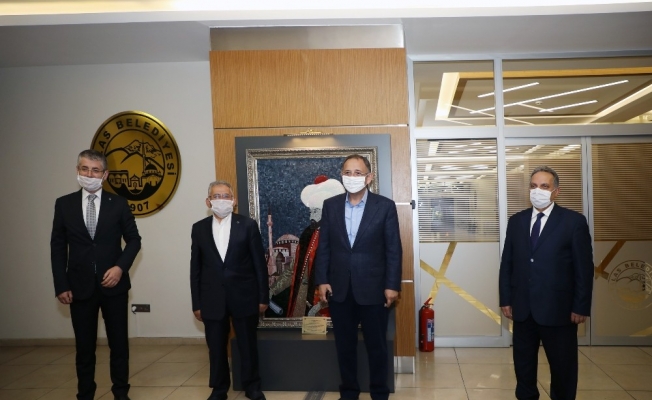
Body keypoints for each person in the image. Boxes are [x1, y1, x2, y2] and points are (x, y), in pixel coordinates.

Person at [50, 149, 141, 400]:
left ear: (105, 174)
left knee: (119, 345)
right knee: (84, 348)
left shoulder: (119, 204)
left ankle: (121, 393)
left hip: (114, 286)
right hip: (78, 287)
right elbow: (57, 247)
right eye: (84, 169)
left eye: (95, 170)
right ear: (77, 170)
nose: (89, 175)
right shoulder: (64, 204)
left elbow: (134, 240)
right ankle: (85, 394)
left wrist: (120, 267)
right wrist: (61, 284)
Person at [499, 166, 593, 400]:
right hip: (523, 310)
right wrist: (506, 299)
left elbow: (584, 268)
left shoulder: (573, 222)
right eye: (533, 186)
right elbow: (507, 263)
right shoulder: (517, 221)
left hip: (559, 310)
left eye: (544, 186)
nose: (537, 191)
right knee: (524, 368)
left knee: (563, 369)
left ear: (555, 191)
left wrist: (581, 306)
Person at [314, 154, 402, 400]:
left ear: (369, 177)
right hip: (339, 288)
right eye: (347, 172)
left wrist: (392, 285)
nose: (352, 177)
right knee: (344, 346)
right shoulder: (331, 205)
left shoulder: (384, 206)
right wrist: (322, 279)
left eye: (357, 173)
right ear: (341, 175)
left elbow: (393, 249)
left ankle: (379, 393)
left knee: (377, 346)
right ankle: (349, 392)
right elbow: (324, 247)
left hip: (374, 288)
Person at [190, 180, 268, 400]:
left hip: (245, 296)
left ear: (234, 201)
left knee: (247, 344)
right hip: (211, 298)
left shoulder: (248, 225)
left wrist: (263, 297)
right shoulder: (199, 228)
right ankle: (219, 388)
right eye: (216, 196)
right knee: (216, 347)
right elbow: (195, 268)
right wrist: (197, 303)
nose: (221, 200)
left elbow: (259, 265)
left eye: (226, 196)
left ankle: (252, 386)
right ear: (208, 201)